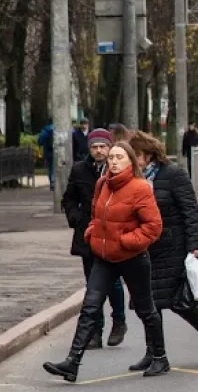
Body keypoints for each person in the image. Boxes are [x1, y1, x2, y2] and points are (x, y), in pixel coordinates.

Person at [43, 142, 167, 382]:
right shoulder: (102, 184)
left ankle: (159, 356)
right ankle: (73, 362)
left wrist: (126, 241)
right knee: (90, 306)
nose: (113, 161)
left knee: (145, 309)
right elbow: (95, 216)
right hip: (103, 257)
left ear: (130, 161)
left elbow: (153, 228)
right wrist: (92, 234)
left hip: (132, 258)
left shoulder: (140, 188)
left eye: (119, 157)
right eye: (111, 157)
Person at [126, 131, 198, 367]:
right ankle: (153, 353)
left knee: (179, 301)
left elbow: (190, 211)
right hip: (146, 248)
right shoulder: (133, 181)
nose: (132, 161)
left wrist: (195, 245)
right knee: (148, 304)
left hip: (173, 247)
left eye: (136, 155)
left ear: (149, 155)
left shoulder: (174, 175)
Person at [61, 129, 127, 349]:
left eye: (103, 147)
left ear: (110, 147)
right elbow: (68, 198)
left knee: (114, 282)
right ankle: (95, 332)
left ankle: (119, 321)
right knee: (93, 286)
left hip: (114, 234)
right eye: (94, 147)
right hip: (88, 235)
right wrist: (76, 218)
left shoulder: (118, 168)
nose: (99, 151)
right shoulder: (80, 170)